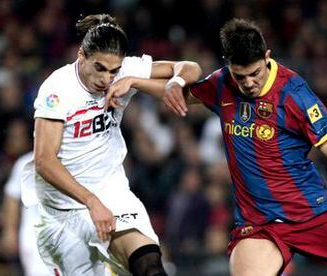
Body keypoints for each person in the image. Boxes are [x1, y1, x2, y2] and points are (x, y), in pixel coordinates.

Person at [107, 18, 327, 275]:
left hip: (309, 214)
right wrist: (134, 82)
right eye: (240, 75)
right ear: (228, 66)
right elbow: (184, 94)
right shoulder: (222, 84)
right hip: (258, 223)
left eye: (255, 73)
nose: (248, 83)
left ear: (267, 57)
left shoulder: (295, 93)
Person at [21, 14, 202, 276]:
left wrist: (146, 81)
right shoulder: (57, 90)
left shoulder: (125, 71)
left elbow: (190, 68)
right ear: (81, 55)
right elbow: (44, 161)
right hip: (62, 211)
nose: (106, 79)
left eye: (114, 71)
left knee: (150, 266)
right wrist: (91, 202)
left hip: (111, 193)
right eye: (99, 68)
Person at [1, 151, 50, 276]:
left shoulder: (74, 155)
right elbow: (12, 196)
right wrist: (10, 231)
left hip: (70, 232)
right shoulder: (25, 162)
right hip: (36, 236)